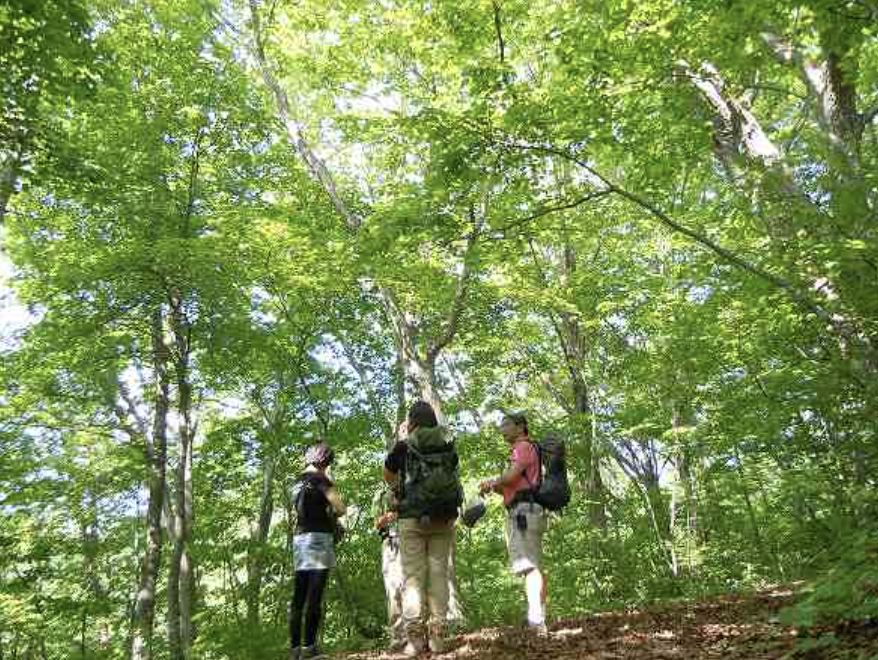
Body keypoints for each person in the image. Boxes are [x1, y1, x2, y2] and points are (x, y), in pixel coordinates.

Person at [383, 401, 461, 656]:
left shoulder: (404, 446)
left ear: (412, 420)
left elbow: (388, 473)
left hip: (411, 517)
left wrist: (397, 491)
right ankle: (437, 637)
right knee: (439, 574)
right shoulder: (447, 443)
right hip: (444, 517)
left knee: (413, 577)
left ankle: (415, 641)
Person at [479, 411, 548, 634]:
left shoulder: (522, 447)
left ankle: (536, 619)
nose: (502, 429)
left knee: (530, 566)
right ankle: (538, 617)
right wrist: (494, 487)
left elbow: (510, 478)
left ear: (521, 427)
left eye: (506, 424)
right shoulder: (523, 449)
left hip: (523, 513)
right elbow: (511, 486)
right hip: (524, 509)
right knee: (532, 564)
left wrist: (493, 481)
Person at [289, 442, 346, 660]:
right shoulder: (321, 480)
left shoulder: (296, 481)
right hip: (319, 538)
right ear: (325, 461)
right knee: (315, 594)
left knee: (299, 595)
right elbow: (340, 508)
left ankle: (295, 650)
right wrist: (330, 512)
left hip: (300, 538)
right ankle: (310, 648)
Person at [373, 483, 405, 651]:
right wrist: (387, 518)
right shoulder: (381, 494)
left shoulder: (414, 483)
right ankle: (398, 636)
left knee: (414, 586)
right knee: (394, 590)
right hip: (391, 543)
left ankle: (421, 632)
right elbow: (376, 523)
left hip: (414, 540)